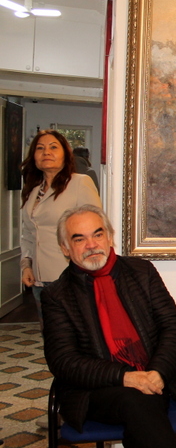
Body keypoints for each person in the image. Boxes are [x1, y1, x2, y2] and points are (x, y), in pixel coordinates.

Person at [42, 205, 176, 448]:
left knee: (142, 407)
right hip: (93, 393)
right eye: (79, 239)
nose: (91, 245)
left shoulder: (141, 272)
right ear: (65, 248)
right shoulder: (56, 296)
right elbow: (64, 361)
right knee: (138, 401)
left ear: (109, 237)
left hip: (153, 378)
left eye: (98, 234)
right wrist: (125, 377)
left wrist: (157, 372)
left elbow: (172, 326)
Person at [20, 130, 101, 323]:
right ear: (34, 157)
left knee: (76, 332)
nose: (46, 152)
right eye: (40, 148)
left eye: (53, 147)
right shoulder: (33, 190)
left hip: (71, 277)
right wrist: (26, 266)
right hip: (40, 279)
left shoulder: (80, 183)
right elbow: (28, 233)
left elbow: (95, 230)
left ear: (65, 154)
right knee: (50, 333)